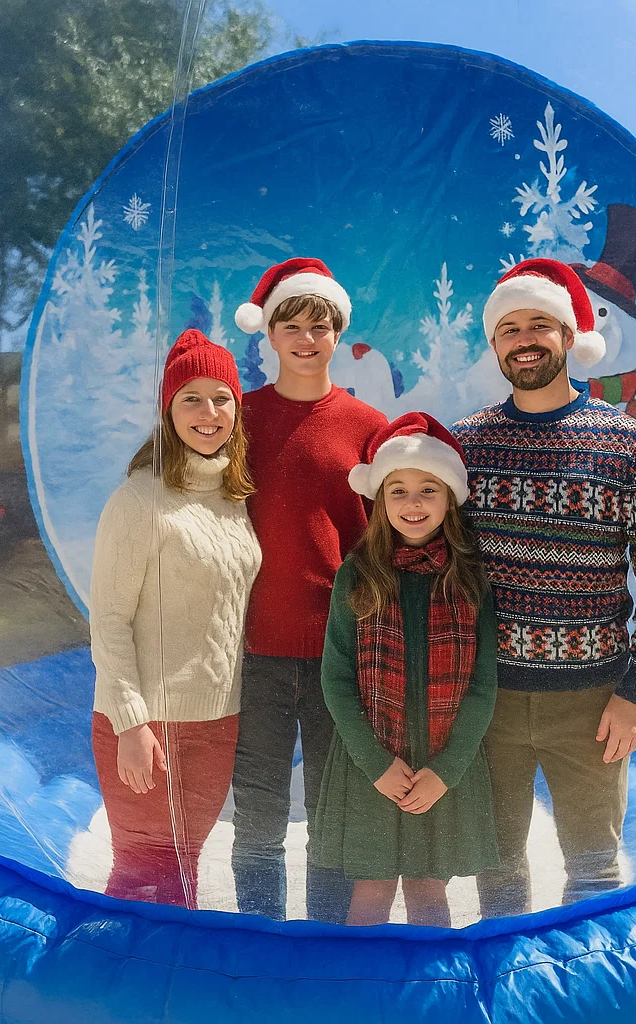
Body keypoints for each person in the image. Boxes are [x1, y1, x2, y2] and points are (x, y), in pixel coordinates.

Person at [451, 258, 636, 915]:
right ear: (495, 344)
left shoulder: (632, 448)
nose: (524, 339)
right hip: (488, 701)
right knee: (495, 876)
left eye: (540, 325)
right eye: (509, 328)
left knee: (594, 873)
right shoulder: (466, 446)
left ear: (569, 335)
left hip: (592, 705)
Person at [230, 258, 388, 922]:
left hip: (339, 657)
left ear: (336, 332)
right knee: (259, 812)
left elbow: (389, 543)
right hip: (255, 650)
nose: (305, 338)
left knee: (332, 814)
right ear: (268, 335)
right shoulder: (238, 418)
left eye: (318, 326)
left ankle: (325, 951)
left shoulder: (369, 427)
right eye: (289, 325)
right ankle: (260, 949)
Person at [89, 329, 261, 908]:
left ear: (237, 407)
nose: (208, 413)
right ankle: (106, 993)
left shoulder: (235, 498)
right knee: (141, 877)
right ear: (167, 409)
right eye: (190, 397)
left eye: (221, 398)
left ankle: (163, 996)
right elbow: (109, 622)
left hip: (217, 721)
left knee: (182, 874)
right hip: (147, 724)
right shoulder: (139, 500)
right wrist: (131, 725)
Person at [312, 413, 498, 927]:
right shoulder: (359, 573)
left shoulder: (468, 576)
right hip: (372, 763)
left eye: (427, 490)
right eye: (398, 491)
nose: (413, 505)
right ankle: (357, 1000)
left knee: (428, 894)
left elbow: (482, 685)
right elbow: (336, 677)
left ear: (449, 499)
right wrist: (375, 763)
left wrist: (447, 770)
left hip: (440, 763)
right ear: (379, 500)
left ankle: (427, 1003)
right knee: (369, 895)